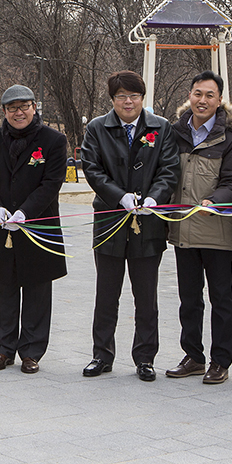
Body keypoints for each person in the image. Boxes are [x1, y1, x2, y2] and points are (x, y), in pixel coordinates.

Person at [81, 71, 180, 382]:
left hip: (148, 224)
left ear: (142, 98)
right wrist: (119, 196)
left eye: (134, 96)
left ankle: (145, 357)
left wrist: (155, 198)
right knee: (106, 293)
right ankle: (101, 354)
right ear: (112, 100)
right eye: (121, 96)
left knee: (146, 295)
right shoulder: (97, 128)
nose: (128, 101)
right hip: (110, 220)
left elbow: (169, 168)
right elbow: (92, 169)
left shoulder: (160, 128)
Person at [164, 71, 232, 385]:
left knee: (221, 298)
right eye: (197, 93)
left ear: (219, 100)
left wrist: (216, 201)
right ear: (189, 96)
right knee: (189, 298)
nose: (202, 100)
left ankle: (221, 361)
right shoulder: (174, 133)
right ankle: (194, 356)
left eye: (209, 95)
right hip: (183, 230)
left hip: (216, 230)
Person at [0, 85, 67, 375]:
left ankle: (31, 351)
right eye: (12, 108)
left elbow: (51, 183)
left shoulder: (53, 140)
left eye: (24, 106)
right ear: (4, 111)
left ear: (34, 107)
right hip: (4, 228)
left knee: (37, 289)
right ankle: (3, 350)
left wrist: (25, 212)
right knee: (5, 288)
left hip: (39, 226)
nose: (19, 112)